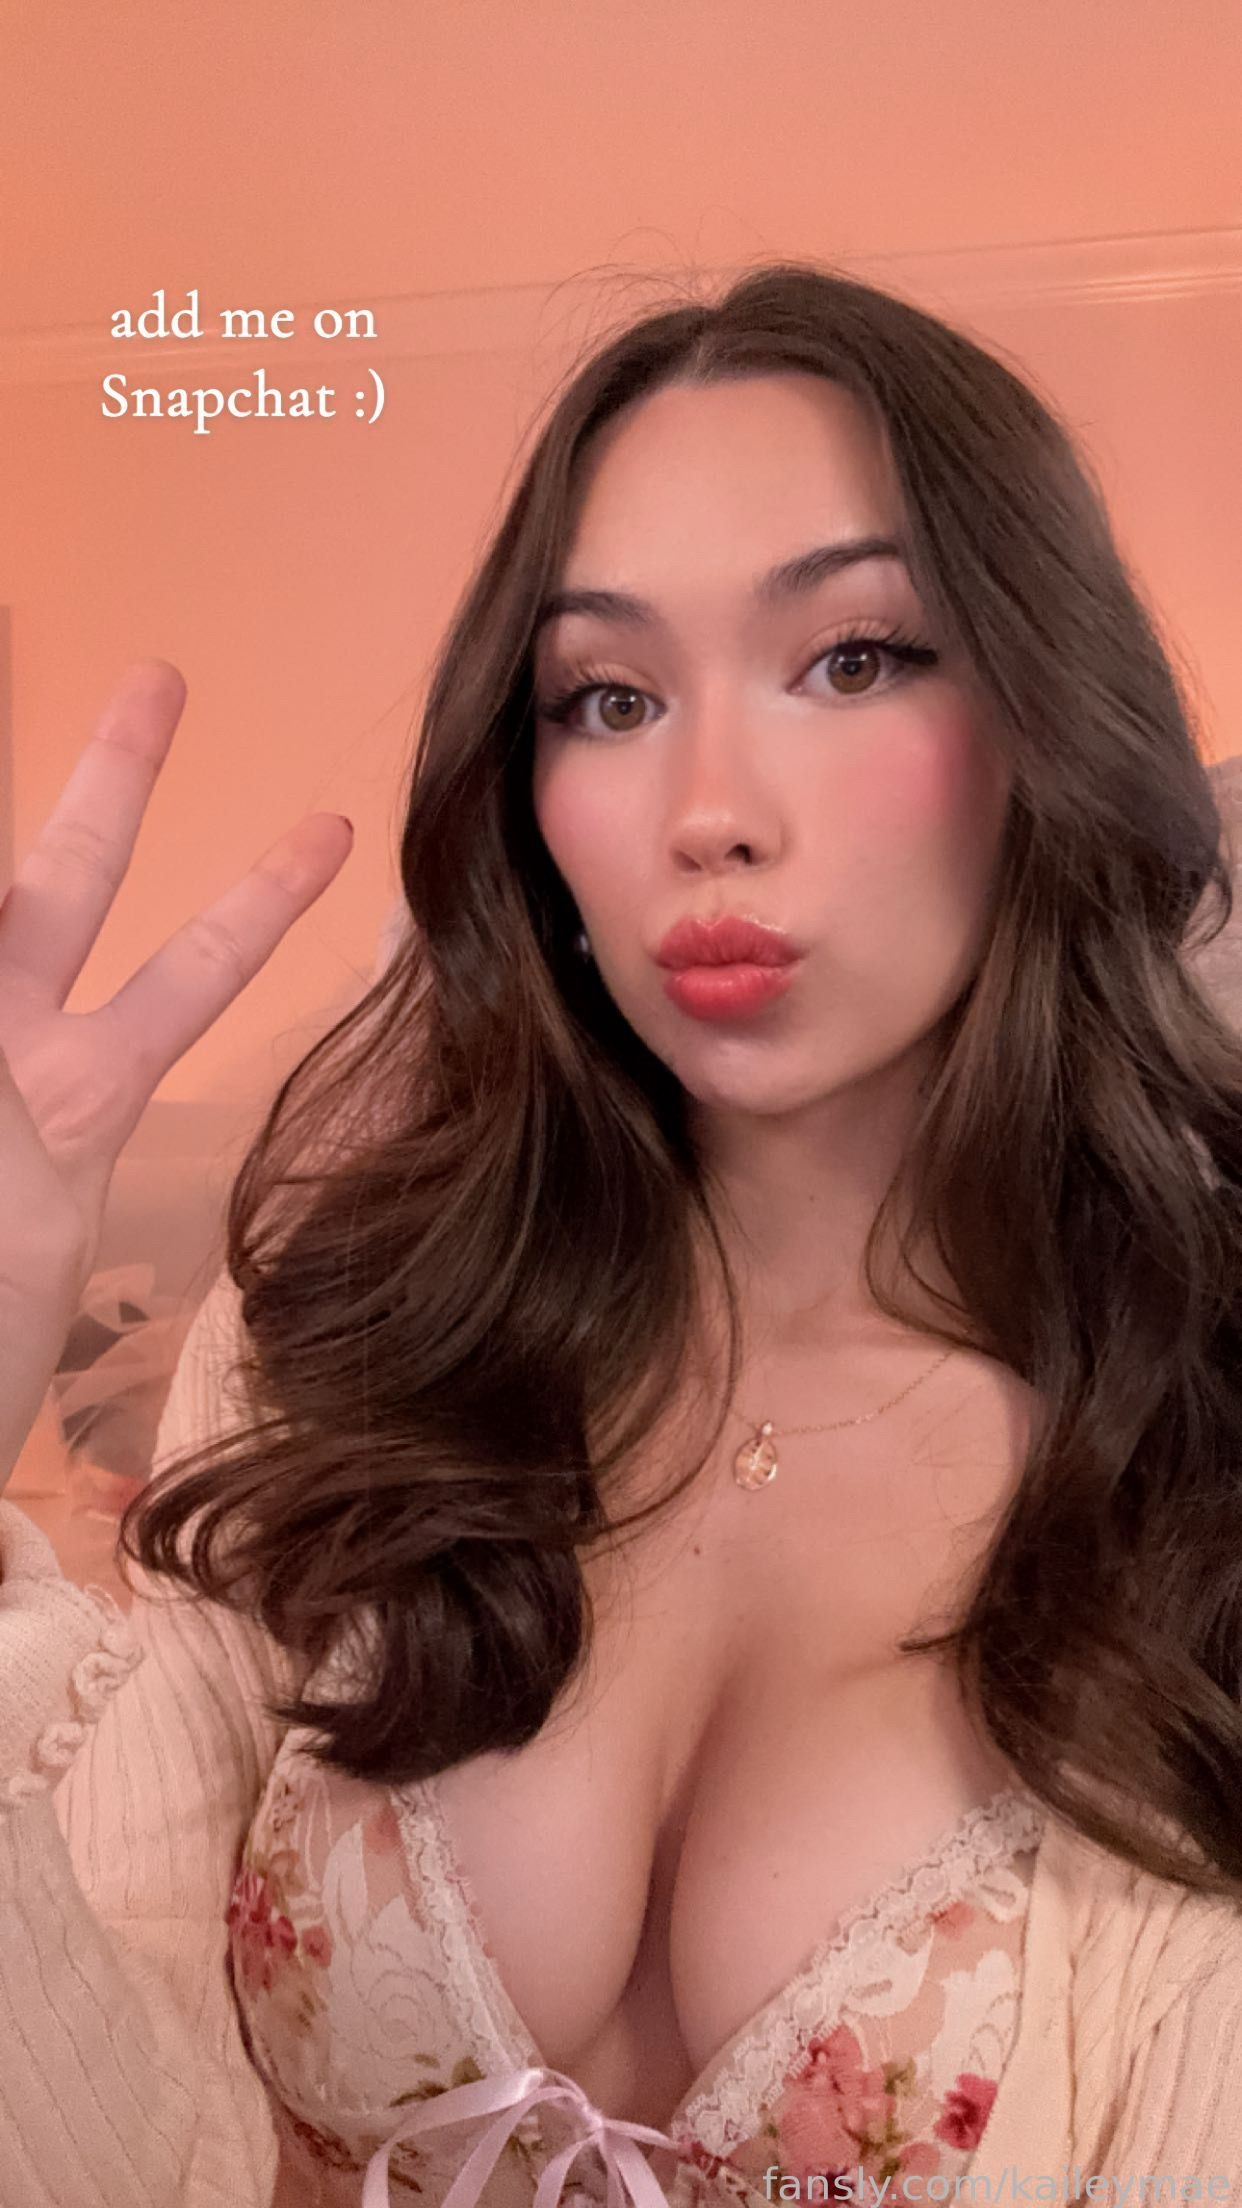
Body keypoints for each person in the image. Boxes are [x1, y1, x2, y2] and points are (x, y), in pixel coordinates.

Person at [2, 261, 1242, 2208]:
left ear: (1041, 721)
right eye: (609, 697)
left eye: (853, 659)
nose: (706, 811)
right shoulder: (355, 1322)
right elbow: (124, 2149)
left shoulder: (1198, 1446)